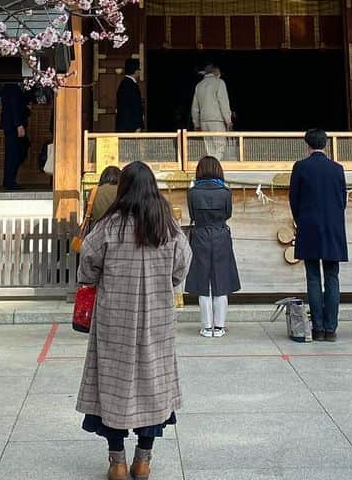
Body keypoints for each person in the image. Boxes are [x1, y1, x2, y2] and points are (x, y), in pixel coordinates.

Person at [76, 161, 191, 480]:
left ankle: (117, 462)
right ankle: (143, 460)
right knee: (153, 382)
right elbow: (182, 265)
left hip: (115, 317)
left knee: (114, 383)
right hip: (156, 317)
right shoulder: (167, 225)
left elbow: (87, 264)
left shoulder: (109, 225)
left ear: (123, 188)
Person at [288, 128, 348, 342]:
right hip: (333, 227)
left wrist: (299, 219)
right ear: (326, 145)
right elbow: (343, 200)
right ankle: (331, 328)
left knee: (313, 277)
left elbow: (293, 198)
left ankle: (318, 328)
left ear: (308, 145)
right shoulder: (337, 168)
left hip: (309, 226)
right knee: (332, 277)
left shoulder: (301, 167)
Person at [185, 155, 241, 338]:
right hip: (221, 235)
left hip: (200, 235)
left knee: (203, 282)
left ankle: (207, 326)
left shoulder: (192, 193)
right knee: (221, 281)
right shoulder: (225, 192)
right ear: (218, 170)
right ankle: (220, 326)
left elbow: (192, 214)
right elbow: (228, 214)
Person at [191, 63, 232, 157]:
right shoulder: (219, 82)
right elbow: (223, 103)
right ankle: (216, 168)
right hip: (217, 121)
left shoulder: (199, 86)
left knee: (209, 149)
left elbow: (195, 108)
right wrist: (228, 120)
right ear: (215, 72)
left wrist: (196, 124)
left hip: (204, 121)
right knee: (220, 147)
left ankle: (211, 169)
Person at [0, 82, 29, 191]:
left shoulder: (13, 87)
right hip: (13, 126)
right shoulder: (11, 86)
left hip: (13, 125)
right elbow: (14, 107)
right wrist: (18, 125)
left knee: (16, 153)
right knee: (14, 154)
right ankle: (9, 182)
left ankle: (9, 181)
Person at [116, 58, 145, 132]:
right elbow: (136, 106)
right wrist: (138, 125)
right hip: (131, 127)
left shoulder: (123, 84)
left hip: (122, 125)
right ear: (136, 71)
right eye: (139, 69)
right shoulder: (132, 86)